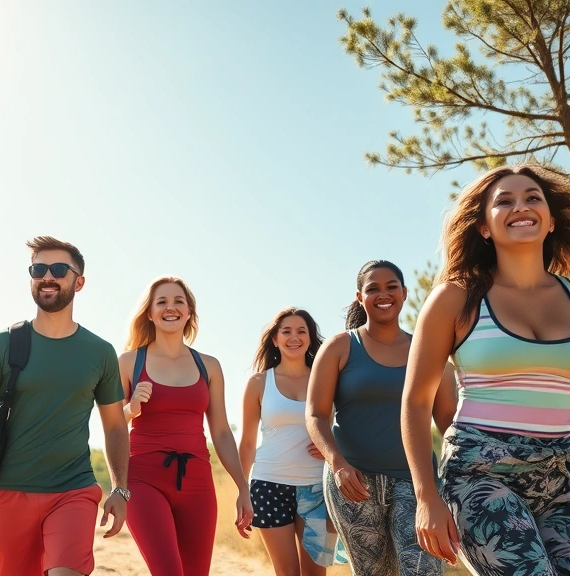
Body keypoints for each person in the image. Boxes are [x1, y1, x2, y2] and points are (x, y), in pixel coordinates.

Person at [401, 165, 570, 574]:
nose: (521, 207)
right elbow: (416, 402)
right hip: (483, 474)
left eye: (533, 198)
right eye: (504, 201)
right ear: (483, 227)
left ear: (549, 220)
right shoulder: (456, 298)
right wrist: (427, 498)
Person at [0, 236, 130, 576]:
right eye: (38, 269)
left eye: (59, 269)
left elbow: (113, 425)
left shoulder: (100, 352)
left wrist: (120, 488)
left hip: (74, 490)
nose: (47, 276)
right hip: (9, 492)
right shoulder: (3, 344)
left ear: (78, 282)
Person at [306, 260, 456, 576]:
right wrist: (338, 465)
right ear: (360, 297)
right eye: (372, 288)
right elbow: (316, 415)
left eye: (391, 287)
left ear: (403, 293)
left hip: (418, 485)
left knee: (424, 570)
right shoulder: (340, 347)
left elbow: (448, 420)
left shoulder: (429, 350)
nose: (383, 294)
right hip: (354, 483)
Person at [120, 276, 253, 576]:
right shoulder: (129, 362)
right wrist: (131, 408)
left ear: (189, 312)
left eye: (179, 301)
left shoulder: (209, 365)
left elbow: (220, 432)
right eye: (162, 302)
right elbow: (112, 423)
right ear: (150, 313)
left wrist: (242, 487)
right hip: (143, 480)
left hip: (197, 483)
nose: (171, 307)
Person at [239, 307, 346, 575]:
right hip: (268, 485)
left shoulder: (327, 379)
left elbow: (347, 425)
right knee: (287, 572)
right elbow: (248, 442)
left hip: (317, 487)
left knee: (315, 574)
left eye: (302, 331)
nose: (294, 337)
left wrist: (333, 449)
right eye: (286, 331)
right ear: (275, 338)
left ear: (310, 338)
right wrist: (242, 491)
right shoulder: (258, 383)